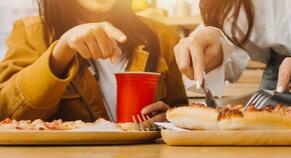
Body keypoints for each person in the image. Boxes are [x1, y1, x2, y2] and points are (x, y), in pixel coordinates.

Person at [0, 0, 188, 122]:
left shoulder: (163, 37)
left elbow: (182, 116)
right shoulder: (30, 33)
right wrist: (61, 51)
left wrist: (170, 119)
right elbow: (6, 114)